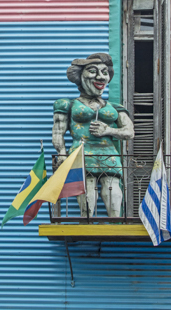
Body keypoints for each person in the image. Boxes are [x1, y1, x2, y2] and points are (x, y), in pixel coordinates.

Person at [52, 53, 134, 218]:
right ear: (80, 76)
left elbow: (129, 131)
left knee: (113, 189)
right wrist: (61, 152)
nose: (100, 77)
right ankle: (86, 220)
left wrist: (109, 131)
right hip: (81, 152)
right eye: (93, 71)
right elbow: (58, 131)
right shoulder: (68, 104)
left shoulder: (115, 107)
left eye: (104, 72)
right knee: (86, 189)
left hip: (108, 153)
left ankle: (115, 222)